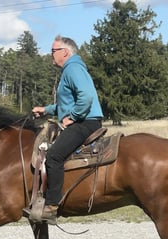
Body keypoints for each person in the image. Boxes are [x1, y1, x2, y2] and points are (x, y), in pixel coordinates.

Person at [24, 35, 104, 225]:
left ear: (65, 52)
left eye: (53, 51)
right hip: (84, 120)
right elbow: (66, 104)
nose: (51, 55)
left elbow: (85, 96)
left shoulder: (73, 68)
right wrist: (46, 110)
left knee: (54, 156)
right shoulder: (71, 69)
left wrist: (73, 117)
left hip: (85, 122)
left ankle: (52, 206)